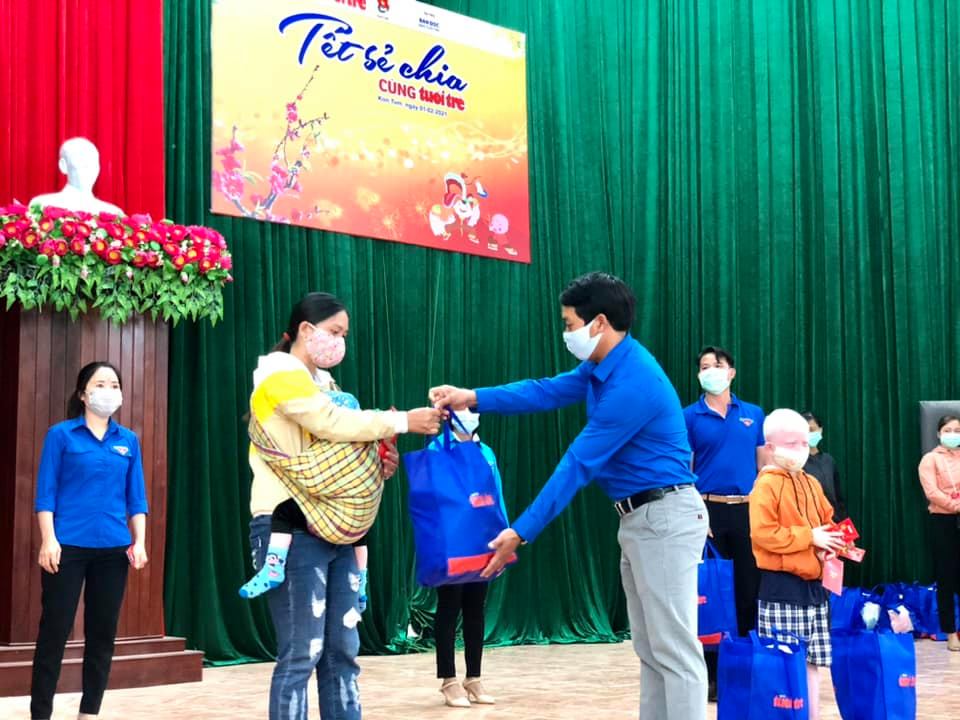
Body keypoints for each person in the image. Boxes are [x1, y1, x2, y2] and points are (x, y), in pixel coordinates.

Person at [430, 272, 709, 720]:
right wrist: (472, 397)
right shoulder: (603, 367)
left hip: (665, 517)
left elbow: (577, 464)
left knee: (674, 650)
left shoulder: (633, 382)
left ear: (598, 323)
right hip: (642, 518)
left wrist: (520, 531)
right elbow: (544, 391)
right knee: (651, 648)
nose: (565, 333)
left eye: (569, 323)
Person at [247, 292, 442, 720]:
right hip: (290, 525)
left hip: (339, 526)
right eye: (334, 332)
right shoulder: (278, 374)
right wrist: (403, 420)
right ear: (306, 330)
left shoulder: (327, 385)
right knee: (302, 652)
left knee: (342, 650)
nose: (340, 342)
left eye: (345, 335)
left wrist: (379, 460)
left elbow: (344, 445)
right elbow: (330, 423)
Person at [31, 361, 150, 720]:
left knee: (102, 634)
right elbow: (46, 493)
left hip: (113, 549)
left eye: (115, 385)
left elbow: (137, 499)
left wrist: (140, 541)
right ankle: (40, 714)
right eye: (100, 384)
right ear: (83, 394)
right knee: (54, 632)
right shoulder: (61, 435)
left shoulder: (128, 440)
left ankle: (89, 713)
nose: (108, 391)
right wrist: (48, 540)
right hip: (67, 546)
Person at [239, 387, 384, 603]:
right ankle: (361, 578)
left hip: (326, 508)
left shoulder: (325, 445)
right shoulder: (365, 443)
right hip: (353, 512)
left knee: (283, 513)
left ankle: (274, 566)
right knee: (360, 533)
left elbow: (310, 473)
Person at [749, 408, 845, 720]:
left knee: (812, 663)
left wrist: (833, 543)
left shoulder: (811, 482)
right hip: (782, 587)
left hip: (815, 587)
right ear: (770, 447)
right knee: (783, 665)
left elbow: (828, 521)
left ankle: (810, 714)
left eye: (804, 442)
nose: (800, 450)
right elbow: (764, 534)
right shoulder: (765, 485)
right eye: (791, 444)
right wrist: (809, 537)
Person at [683, 346, 764, 700]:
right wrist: (696, 515)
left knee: (747, 592)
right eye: (704, 367)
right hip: (707, 512)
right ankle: (712, 675)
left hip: (747, 511)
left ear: (731, 372)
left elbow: (764, 468)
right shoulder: (689, 416)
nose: (711, 371)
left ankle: (744, 670)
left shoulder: (753, 414)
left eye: (717, 365)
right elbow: (683, 471)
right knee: (712, 595)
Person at [430, 409, 504, 708]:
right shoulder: (437, 450)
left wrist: (501, 537)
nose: (471, 416)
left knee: (476, 607)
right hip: (450, 541)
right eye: (464, 412)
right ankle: (448, 681)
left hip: (482, 540)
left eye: (473, 411)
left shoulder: (486, 452)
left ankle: (474, 677)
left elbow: (497, 496)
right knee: (449, 606)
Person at [918, 414, 960, 651]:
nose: (953, 435)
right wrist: (955, 505)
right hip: (943, 522)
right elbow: (932, 493)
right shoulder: (930, 459)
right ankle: (951, 632)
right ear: (938, 433)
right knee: (946, 577)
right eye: (948, 430)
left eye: (957, 430)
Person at [802, 412, 846, 521]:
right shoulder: (797, 463)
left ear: (820, 430)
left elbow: (838, 497)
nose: (808, 434)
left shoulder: (828, 460)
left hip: (834, 520)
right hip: (811, 522)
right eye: (805, 431)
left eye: (812, 430)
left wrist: (842, 521)